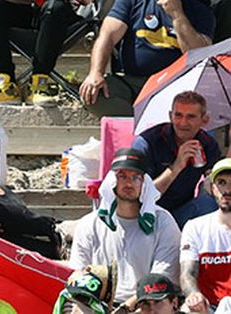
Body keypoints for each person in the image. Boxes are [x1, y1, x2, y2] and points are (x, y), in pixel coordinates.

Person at [84, 0, 212, 111]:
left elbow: (198, 55)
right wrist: (96, 72)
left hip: (175, 86)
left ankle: (149, 132)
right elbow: (107, 36)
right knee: (95, 95)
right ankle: (137, 131)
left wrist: (177, 14)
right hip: (131, 81)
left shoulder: (201, 12)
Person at [70, 148, 180, 305]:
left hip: (148, 302)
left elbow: (163, 276)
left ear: (144, 183)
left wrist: (128, 307)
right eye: (122, 176)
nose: (129, 183)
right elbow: (78, 272)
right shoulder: (89, 224)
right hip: (98, 302)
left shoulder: (163, 222)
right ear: (112, 181)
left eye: (136, 178)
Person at [135, 90, 223, 225]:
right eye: (178, 115)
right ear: (170, 116)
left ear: (204, 120)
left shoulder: (207, 144)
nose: (183, 123)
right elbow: (140, 196)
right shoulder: (147, 143)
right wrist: (176, 167)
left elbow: (214, 184)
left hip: (180, 213)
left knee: (210, 202)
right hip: (146, 214)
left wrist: (213, 181)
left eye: (191, 117)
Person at [181, 159, 231, 313]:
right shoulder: (195, 227)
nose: (227, 190)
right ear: (212, 188)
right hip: (206, 307)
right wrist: (193, 294)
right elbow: (187, 274)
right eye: (221, 183)